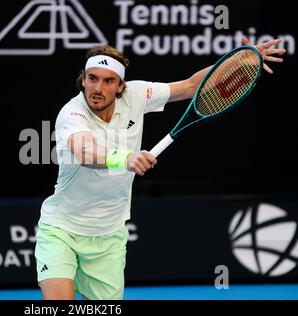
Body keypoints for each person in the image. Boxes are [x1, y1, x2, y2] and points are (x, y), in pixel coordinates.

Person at [35, 38, 286, 300]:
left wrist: (241, 60)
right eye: (92, 78)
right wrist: (125, 158)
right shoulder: (72, 113)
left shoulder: (137, 94)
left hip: (108, 234)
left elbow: (190, 86)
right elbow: (84, 151)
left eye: (108, 81)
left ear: (121, 86)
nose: (98, 88)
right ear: (83, 79)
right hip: (61, 228)